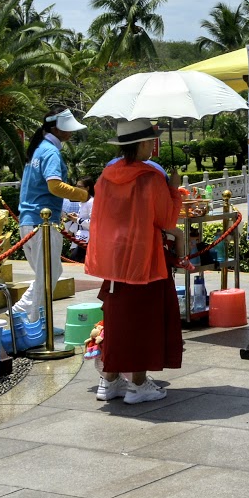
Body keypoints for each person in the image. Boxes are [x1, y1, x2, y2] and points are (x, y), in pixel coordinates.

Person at [86, 120, 185, 404]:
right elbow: (166, 219)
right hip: (144, 257)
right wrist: (173, 190)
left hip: (115, 257)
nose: (152, 146)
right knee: (144, 319)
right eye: (150, 141)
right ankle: (138, 385)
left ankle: (109, 380)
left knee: (117, 317)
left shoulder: (107, 176)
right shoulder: (150, 177)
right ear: (142, 144)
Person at [13, 108, 89, 324]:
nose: (71, 132)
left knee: (49, 273)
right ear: (56, 129)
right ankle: (31, 321)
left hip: (29, 221)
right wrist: (83, 195)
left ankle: (27, 316)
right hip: (43, 223)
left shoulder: (39, 149)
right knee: (48, 276)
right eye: (68, 128)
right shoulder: (50, 152)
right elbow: (54, 186)